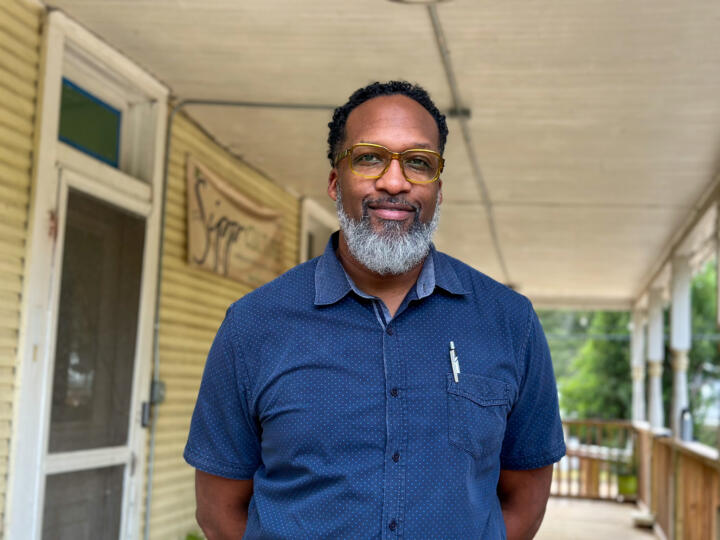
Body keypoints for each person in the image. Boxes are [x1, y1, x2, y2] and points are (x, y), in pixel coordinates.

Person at [184, 81, 565, 539]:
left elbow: (525, 498)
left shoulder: (509, 323)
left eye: (419, 163)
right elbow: (219, 509)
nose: (394, 181)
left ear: (438, 190)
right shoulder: (254, 325)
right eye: (369, 157)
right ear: (333, 180)